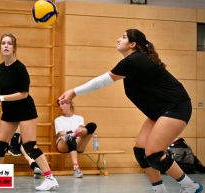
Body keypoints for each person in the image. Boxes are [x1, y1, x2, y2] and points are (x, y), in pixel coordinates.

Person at [58, 29, 203, 193]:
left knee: (154, 154)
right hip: (160, 111)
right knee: (141, 151)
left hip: (176, 107)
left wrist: (73, 92)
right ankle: (160, 190)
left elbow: (102, 81)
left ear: (133, 44)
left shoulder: (135, 60)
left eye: (124, 37)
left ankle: (190, 187)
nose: (118, 39)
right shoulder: (132, 64)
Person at [0, 33, 59, 191]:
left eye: (9, 43)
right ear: (0, 47)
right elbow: (3, 88)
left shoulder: (20, 68)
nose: (6, 46)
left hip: (24, 110)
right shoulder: (1, 68)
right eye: (3, 43)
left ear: (14, 47)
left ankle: (50, 178)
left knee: (29, 146)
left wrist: (1, 99)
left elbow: (23, 94)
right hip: (9, 111)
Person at [55, 100, 97, 178]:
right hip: (63, 144)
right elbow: (61, 133)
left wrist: (80, 130)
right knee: (70, 137)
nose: (60, 106)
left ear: (69, 104)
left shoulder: (79, 118)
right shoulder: (58, 119)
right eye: (59, 105)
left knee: (92, 125)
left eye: (62, 104)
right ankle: (76, 167)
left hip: (77, 142)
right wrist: (73, 133)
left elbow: (81, 127)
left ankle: (75, 135)